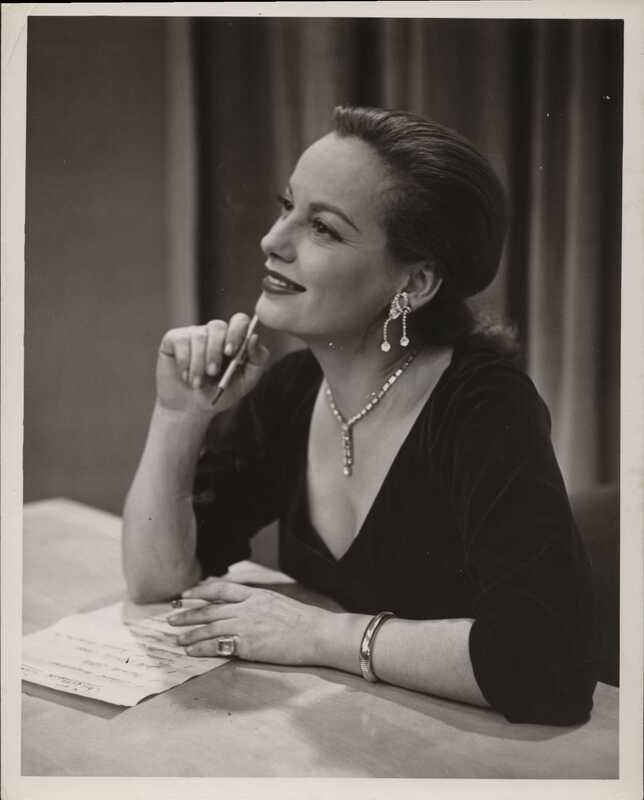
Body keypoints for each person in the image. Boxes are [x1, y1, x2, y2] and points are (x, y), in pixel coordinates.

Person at [122, 106, 599, 726]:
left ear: (417, 282)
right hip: (347, 736)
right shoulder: (293, 391)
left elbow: (546, 665)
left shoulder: (484, 405)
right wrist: (178, 414)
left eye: (323, 229)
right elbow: (157, 581)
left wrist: (319, 636)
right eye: (285, 206)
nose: (273, 240)